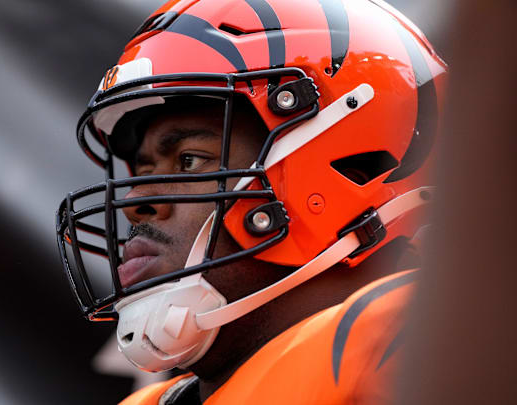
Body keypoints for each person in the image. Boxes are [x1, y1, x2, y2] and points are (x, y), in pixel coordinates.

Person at [55, 0, 447, 403]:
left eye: (188, 161)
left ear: (353, 172)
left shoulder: (420, 353)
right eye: (141, 171)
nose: (135, 201)